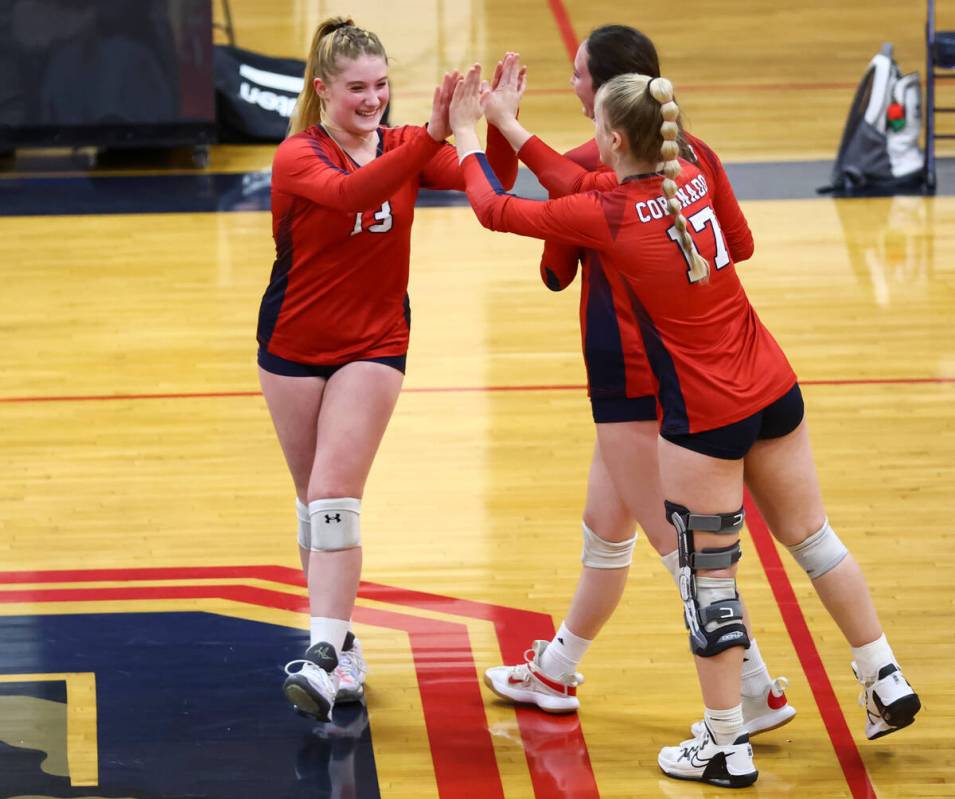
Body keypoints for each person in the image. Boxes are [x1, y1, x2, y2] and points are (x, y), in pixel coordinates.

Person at [449, 63, 920, 788]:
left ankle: (726, 743)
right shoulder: (690, 162)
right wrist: (510, 125)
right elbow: (578, 184)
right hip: (773, 384)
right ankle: (882, 675)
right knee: (815, 539)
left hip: (704, 415)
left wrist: (462, 136)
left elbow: (495, 208)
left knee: (709, 581)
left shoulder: (607, 212)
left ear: (607, 139)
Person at [482, 30, 794, 740]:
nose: (570, 85)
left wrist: (494, 129)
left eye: (576, 75)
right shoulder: (690, 152)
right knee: (606, 529)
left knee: (681, 549)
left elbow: (554, 270)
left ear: (602, 95)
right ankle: (556, 669)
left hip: (631, 378)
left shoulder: (589, 170)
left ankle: (753, 688)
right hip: (701, 366)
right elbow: (737, 247)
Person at [257, 17, 517, 722]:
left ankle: (318, 658)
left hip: (373, 341)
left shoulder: (406, 144)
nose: (373, 99)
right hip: (292, 341)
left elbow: (489, 182)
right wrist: (431, 134)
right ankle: (338, 641)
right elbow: (354, 194)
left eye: (381, 85)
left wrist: (491, 124)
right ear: (321, 90)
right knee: (313, 504)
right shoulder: (296, 155)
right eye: (357, 88)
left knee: (337, 492)